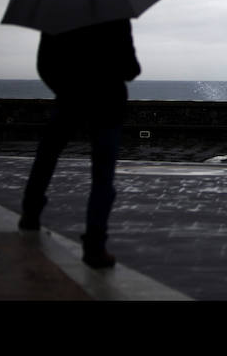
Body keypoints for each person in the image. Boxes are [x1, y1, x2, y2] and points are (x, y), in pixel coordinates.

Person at [18, 19, 141, 269]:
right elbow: (130, 68)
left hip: (69, 99)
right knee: (103, 176)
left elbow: (44, 64)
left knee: (47, 156)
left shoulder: (60, 15)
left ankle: (30, 213)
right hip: (108, 103)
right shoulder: (115, 17)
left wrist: (65, 89)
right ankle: (95, 245)